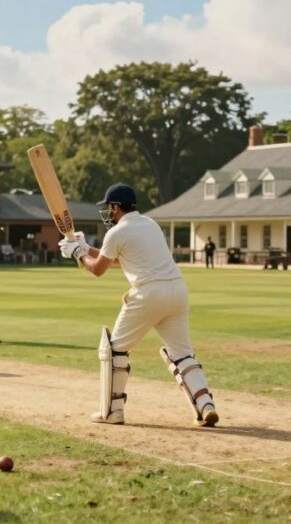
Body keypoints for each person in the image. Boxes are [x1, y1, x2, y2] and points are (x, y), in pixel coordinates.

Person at [58, 182, 218, 428]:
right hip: (177, 291)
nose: (108, 212)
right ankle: (205, 405)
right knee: (182, 353)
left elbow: (99, 269)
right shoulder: (150, 224)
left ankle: (112, 411)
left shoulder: (117, 232)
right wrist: (84, 247)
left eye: (109, 207)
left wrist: (78, 253)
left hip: (148, 294)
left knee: (114, 351)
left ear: (115, 207)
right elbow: (123, 257)